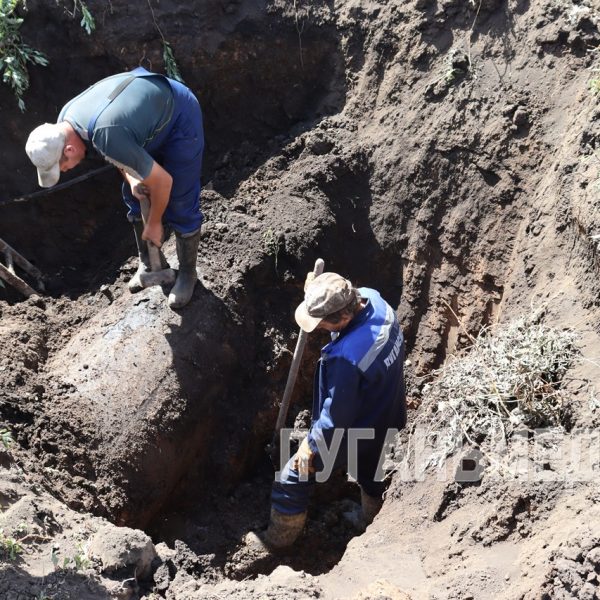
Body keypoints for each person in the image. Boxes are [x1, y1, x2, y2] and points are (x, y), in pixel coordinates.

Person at [248, 272, 407, 551]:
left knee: (293, 475)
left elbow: (335, 419)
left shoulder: (346, 358)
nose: (318, 327)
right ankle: (370, 519)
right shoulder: (374, 299)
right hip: (389, 407)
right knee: (373, 472)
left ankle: (277, 541)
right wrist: (317, 292)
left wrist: (310, 447)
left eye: (320, 322)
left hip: (359, 427)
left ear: (341, 319)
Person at [24, 67, 204, 309]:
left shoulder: (104, 133)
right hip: (143, 121)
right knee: (133, 192)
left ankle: (187, 274)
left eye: (62, 167)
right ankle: (150, 264)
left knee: (180, 201)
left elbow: (164, 181)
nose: (65, 171)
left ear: (69, 150)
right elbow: (115, 153)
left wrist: (154, 224)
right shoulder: (67, 121)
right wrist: (132, 179)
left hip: (178, 115)